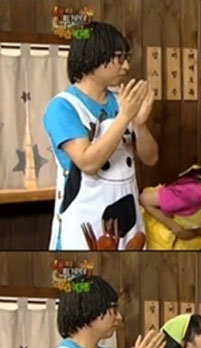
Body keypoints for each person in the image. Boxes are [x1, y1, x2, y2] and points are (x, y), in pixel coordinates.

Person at [43, 21, 159, 250]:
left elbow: (151, 158)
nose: (126, 66)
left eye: (126, 58)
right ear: (93, 56)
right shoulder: (63, 107)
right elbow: (88, 162)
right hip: (84, 225)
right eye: (119, 58)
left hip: (129, 221)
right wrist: (124, 117)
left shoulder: (121, 101)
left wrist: (140, 125)